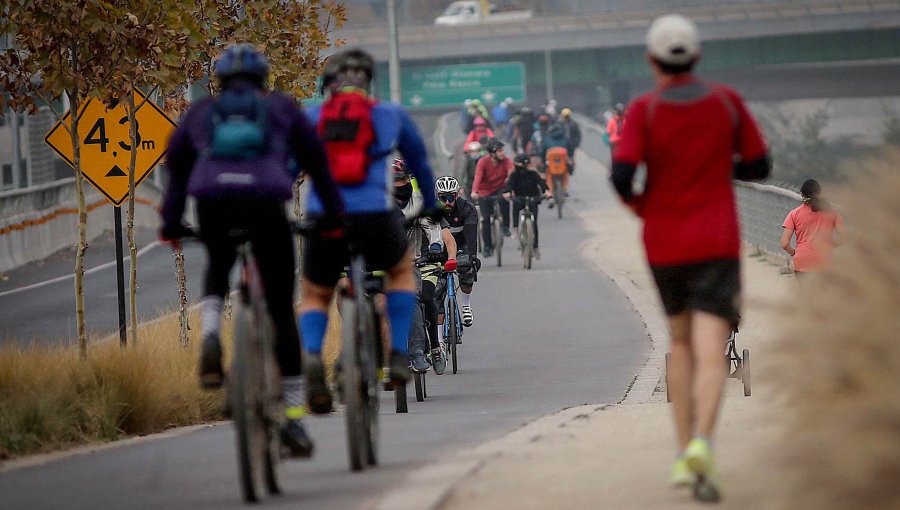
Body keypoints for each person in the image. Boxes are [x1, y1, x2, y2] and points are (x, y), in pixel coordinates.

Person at [609, 14, 771, 502]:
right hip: (717, 239)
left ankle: (685, 452)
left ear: (651, 60)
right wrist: (724, 167)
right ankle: (705, 442)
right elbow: (760, 164)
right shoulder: (726, 102)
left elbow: (620, 175)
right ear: (697, 56)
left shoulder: (644, 110)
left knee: (678, 344)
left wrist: (645, 209)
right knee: (712, 346)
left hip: (664, 241)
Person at [159, 44, 345, 458]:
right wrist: (332, 214)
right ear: (263, 79)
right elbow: (316, 160)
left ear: (220, 80)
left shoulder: (201, 111)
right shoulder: (281, 107)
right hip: (264, 202)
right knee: (281, 309)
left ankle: (210, 333)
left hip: (213, 201)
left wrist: (172, 222)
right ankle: (294, 418)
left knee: (218, 263)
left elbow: (175, 169)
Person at [298, 48, 439, 414]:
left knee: (315, 293)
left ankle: (313, 356)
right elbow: (420, 163)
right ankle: (397, 353)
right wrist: (433, 204)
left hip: (324, 219)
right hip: (375, 216)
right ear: (367, 83)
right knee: (401, 272)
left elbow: (284, 168)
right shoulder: (388, 114)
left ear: (328, 85)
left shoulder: (312, 116)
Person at [392, 159, 452, 375]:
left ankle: (420, 350)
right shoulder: (376, 201)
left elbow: (433, 228)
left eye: (402, 179)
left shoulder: (418, 201)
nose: (398, 184)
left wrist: (436, 245)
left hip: (410, 263)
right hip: (379, 262)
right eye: (394, 180)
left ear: (409, 179)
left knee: (416, 300)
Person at [435, 175, 481, 327]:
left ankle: (466, 305)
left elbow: (471, 233)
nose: (447, 202)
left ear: (456, 195)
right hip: (438, 249)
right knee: (436, 291)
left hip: (462, 245)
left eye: (450, 197)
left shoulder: (467, 208)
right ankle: (439, 341)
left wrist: (473, 256)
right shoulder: (431, 210)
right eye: (443, 198)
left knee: (466, 267)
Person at [780, 178, 844, 280]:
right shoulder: (832, 212)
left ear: (802, 194)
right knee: (824, 295)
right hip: (825, 260)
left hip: (802, 261)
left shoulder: (794, 214)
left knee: (806, 295)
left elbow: (784, 243)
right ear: (820, 193)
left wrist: (794, 252)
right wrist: (832, 245)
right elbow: (844, 235)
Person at [470, 138, 513, 258]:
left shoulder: (507, 161)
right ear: (492, 154)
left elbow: (511, 174)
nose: (502, 153)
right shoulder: (483, 162)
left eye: (502, 150)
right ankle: (487, 247)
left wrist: (510, 190)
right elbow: (478, 177)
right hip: (485, 191)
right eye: (499, 151)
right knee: (485, 219)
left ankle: (505, 227)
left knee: (505, 200)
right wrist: (474, 191)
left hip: (500, 189)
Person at [503, 154, 551, 260]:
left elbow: (542, 183)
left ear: (525, 164)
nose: (517, 166)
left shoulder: (533, 174)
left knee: (534, 224)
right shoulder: (514, 174)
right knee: (515, 205)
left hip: (533, 198)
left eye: (519, 163)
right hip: (520, 198)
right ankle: (515, 228)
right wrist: (507, 192)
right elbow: (509, 185)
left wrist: (546, 191)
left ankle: (535, 247)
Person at [559, 108, 582, 174]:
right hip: (562, 144)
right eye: (565, 116)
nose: (566, 117)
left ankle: (570, 169)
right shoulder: (560, 124)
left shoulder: (573, 124)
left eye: (567, 116)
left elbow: (578, 134)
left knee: (571, 157)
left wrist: (576, 143)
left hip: (571, 144)